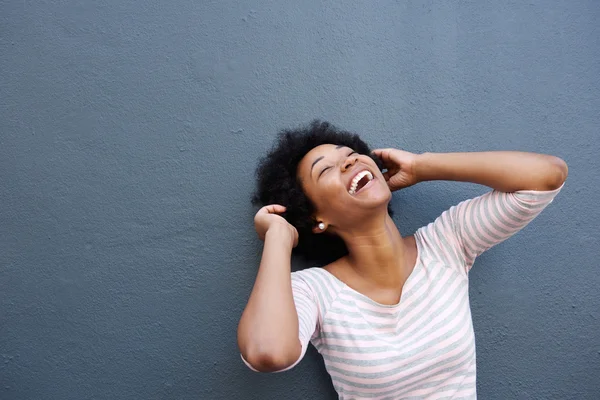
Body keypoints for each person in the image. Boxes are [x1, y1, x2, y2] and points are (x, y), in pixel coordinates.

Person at [237, 120, 568, 399]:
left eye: (352, 155)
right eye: (325, 170)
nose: (350, 162)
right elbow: (269, 352)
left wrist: (421, 167)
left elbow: (547, 175)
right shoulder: (314, 291)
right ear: (315, 218)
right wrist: (279, 237)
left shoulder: (446, 243)